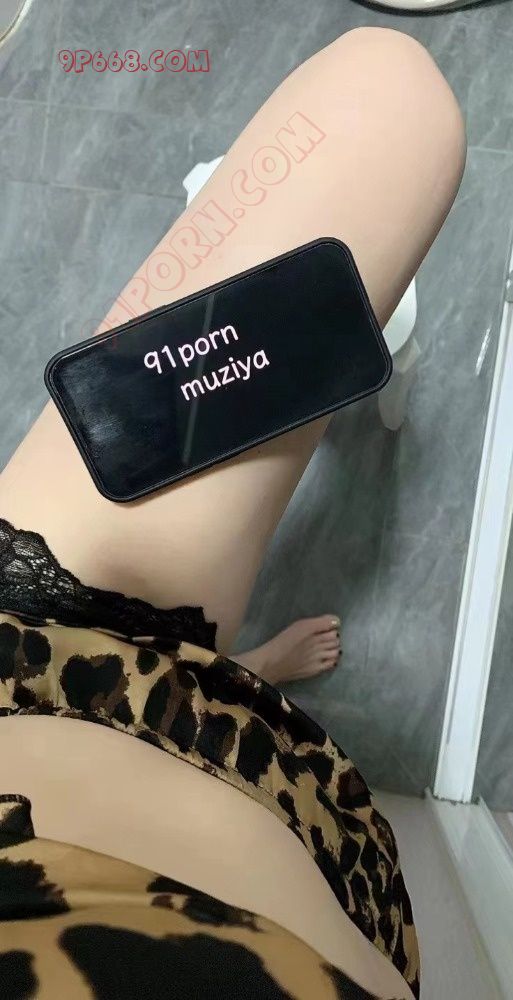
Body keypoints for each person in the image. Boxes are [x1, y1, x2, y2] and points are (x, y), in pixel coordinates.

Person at [0, 26, 465, 999]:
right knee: (389, 96)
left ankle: (238, 659)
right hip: (156, 715)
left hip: (33, 640)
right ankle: (240, 669)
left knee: (387, 92)